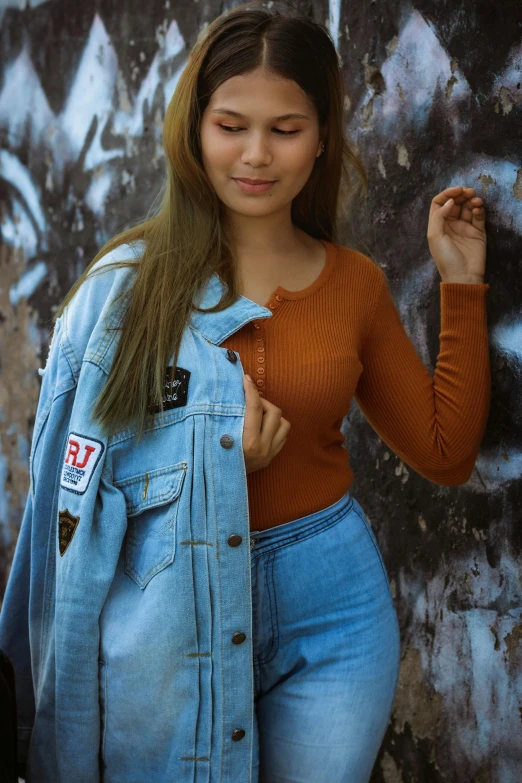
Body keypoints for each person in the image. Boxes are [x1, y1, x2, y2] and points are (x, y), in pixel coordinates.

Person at [0, 2, 490, 781]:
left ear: (323, 135)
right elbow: (75, 498)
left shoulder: (354, 284)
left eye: (285, 129)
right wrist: (222, 458)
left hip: (332, 613)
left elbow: (445, 452)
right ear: (195, 130)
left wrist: (460, 285)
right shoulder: (126, 290)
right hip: (168, 608)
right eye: (232, 125)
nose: (256, 154)